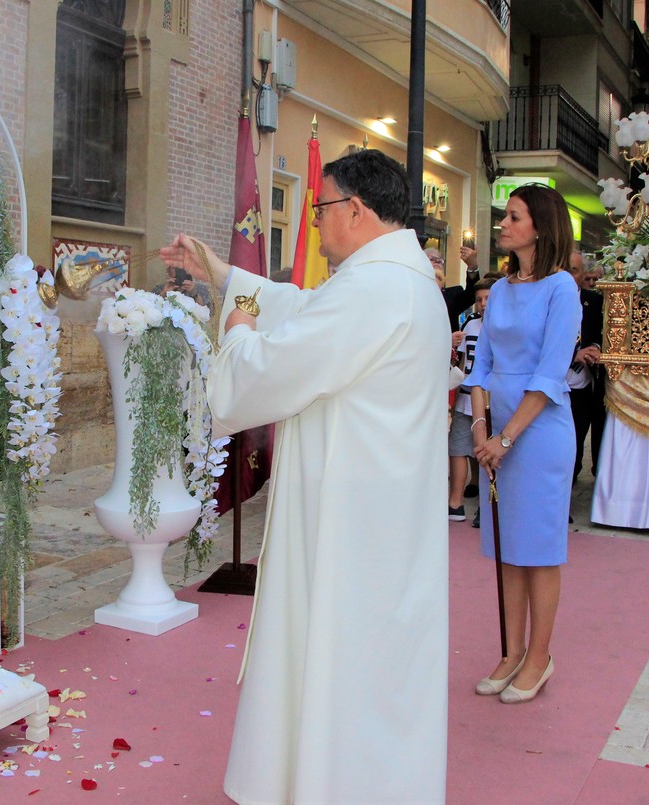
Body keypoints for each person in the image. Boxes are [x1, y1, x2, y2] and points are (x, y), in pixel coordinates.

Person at [160, 149, 450, 804]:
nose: (316, 223)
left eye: (320, 208)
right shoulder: (397, 281)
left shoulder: (378, 289)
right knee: (370, 667)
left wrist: (235, 332)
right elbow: (302, 308)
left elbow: (266, 369)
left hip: (353, 526)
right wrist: (219, 269)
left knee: (345, 662)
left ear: (354, 209)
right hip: (381, 518)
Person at [467, 183, 581, 704]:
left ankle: (541, 656)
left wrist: (507, 438)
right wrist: (480, 427)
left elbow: (551, 372)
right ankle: (512, 651)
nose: (504, 224)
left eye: (513, 216)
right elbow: (483, 365)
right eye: (505, 216)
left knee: (538, 551)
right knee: (506, 549)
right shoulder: (503, 288)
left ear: (540, 225)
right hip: (497, 435)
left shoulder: (562, 288)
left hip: (539, 434)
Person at [447, 277, 494, 523]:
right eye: (479, 300)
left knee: (487, 451)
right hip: (466, 397)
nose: (483, 304)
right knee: (457, 448)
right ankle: (455, 502)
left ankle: (486, 507)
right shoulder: (471, 326)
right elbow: (463, 362)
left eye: (488, 298)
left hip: (491, 401)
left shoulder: (505, 327)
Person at [567, 251, 605, 482]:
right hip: (551, 383)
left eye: (574, 270)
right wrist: (573, 354)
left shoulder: (595, 301)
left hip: (582, 385)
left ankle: (567, 494)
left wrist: (595, 348)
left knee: (576, 439)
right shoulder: (544, 299)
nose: (569, 275)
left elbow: (603, 333)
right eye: (565, 269)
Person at [428, 245, 480, 331]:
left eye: (439, 261)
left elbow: (472, 294)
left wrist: (472, 266)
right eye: (432, 259)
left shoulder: (452, 295)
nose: (437, 262)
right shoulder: (413, 293)